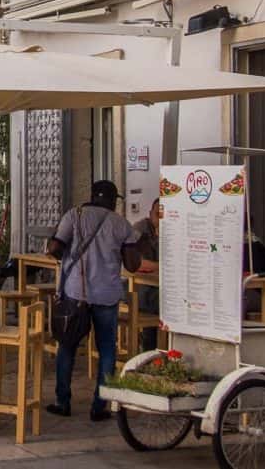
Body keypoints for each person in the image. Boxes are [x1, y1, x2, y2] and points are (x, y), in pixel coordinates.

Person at [46, 179, 141, 422]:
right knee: (107, 348)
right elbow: (133, 265)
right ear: (112, 200)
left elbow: (55, 247)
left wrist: (70, 258)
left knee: (67, 345)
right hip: (106, 295)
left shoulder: (73, 216)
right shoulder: (121, 225)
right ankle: (100, 406)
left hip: (75, 292)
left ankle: (62, 401)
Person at [132, 198, 161, 352]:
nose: (161, 217)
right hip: (135, 286)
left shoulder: (173, 230)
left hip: (158, 284)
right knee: (153, 302)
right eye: (158, 213)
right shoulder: (140, 229)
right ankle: (149, 350)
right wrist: (164, 266)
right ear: (150, 213)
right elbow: (137, 262)